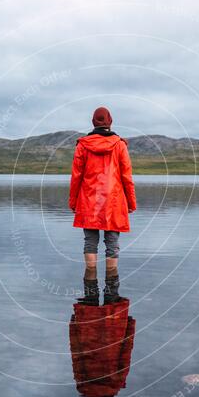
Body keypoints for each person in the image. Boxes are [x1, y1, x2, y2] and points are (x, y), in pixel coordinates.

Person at [69, 106, 137, 304]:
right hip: (114, 202)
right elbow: (127, 177)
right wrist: (131, 203)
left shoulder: (83, 145)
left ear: (93, 122)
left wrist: (73, 202)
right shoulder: (119, 145)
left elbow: (76, 178)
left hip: (89, 201)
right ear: (110, 122)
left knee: (90, 242)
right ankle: (111, 290)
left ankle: (90, 295)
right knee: (112, 244)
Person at [69, 297, 135, 397]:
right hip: (87, 330)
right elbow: (77, 356)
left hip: (114, 327)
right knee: (91, 290)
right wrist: (74, 326)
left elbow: (125, 355)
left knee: (111, 291)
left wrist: (129, 328)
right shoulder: (84, 387)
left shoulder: (116, 384)